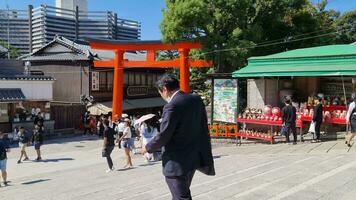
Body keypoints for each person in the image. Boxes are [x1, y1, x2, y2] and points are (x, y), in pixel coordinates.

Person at [141, 74, 215, 200]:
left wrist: (147, 147)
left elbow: (164, 134)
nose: (162, 96)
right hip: (193, 157)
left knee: (181, 197)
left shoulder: (172, 106)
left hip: (176, 162)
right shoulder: (196, 100)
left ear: (165, 89)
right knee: (180, 194)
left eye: (160, 93)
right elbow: (202, 125)